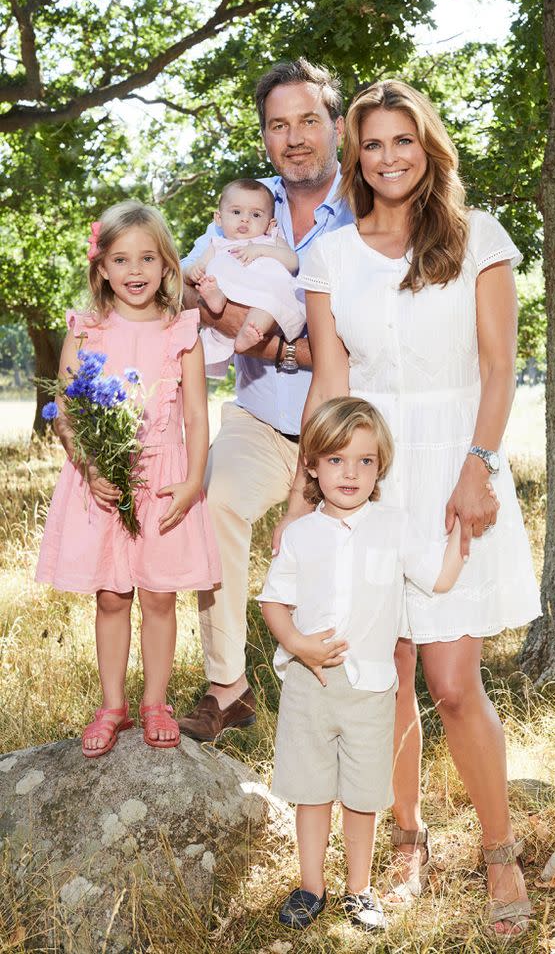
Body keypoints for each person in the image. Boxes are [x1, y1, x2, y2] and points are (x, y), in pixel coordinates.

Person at [275, 80, 541, 937]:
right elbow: (331, 378)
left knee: (452, 684)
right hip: (363, 475)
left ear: (428, 149)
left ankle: (498, 852)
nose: (388, 158)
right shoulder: (330, 256)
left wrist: (478, 468)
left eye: (404, 142)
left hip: (454, 469)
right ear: (354, 156)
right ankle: (405, 837)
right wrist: (301, 495)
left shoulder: (477, 241)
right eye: (373, 144)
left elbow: (499, 369)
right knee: (377, 675)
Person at [177, 58, 353, 742]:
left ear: (336, 126)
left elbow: (358, 345)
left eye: (309, 120)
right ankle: (229, 689)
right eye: (279, 125)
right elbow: (191, 285)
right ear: (265, 138)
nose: (295, 137)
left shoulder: (366, 211)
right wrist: (233, 318)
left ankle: (334, 702)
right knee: (210, 502)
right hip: (259, 418)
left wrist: (279, 346)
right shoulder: (246, 207)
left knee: (335, 556)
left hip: (343, 427)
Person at [259, 397, 469, 931]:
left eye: (364, 461)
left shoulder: (392, 526)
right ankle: (310, 886)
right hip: (310, 683)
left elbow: (438, 577)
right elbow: (272, 600)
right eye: (335, 460)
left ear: (381, 467)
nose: (350, 473)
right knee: (311, 791)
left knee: (362, 793)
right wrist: (299, 644)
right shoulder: (301, 534)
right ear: (311, 465)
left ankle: (359, 889)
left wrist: (463, 536)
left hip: (374, 687)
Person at [36, 201, 221, 757]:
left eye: (147, 258)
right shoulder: (87, 329)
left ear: (167, 265)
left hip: (163, 480)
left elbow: (195, 416)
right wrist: (91, 468)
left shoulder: (181, 330)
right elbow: (66, 410)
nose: (134, 270)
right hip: (102, 481)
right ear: (102, 268)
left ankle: (155, 702)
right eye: (121, 259)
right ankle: (112, 703)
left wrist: (192, 482)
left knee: (160, 597)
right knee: (113, 596)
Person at [190, 178, 303, 373]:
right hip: (228, 292)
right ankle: (216, 298)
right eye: (236, 212)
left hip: (262, 294)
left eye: (256, 214)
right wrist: (196, 269)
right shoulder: (217, 244)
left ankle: (249, 334)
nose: (245, 219)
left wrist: (260, 250)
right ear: (219, 218)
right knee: (217, 266)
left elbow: (292, 262)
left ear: (270, 224)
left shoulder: (271, 240)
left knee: (271, 301)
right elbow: (200, 265)